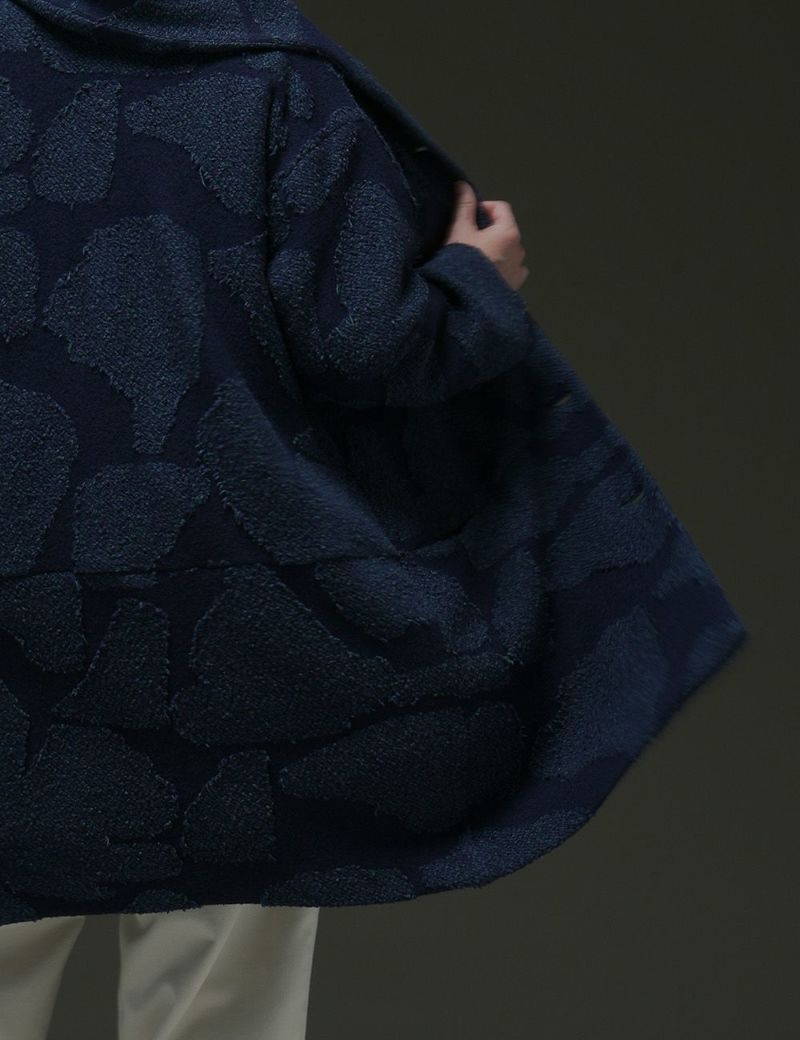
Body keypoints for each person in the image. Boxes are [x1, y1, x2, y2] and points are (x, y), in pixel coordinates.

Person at [0, 1, 748, 1037]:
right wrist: (475, 289)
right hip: (233, 634)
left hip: (15, 627)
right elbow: (365, 347)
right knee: (217, 1006)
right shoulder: (274, 78)